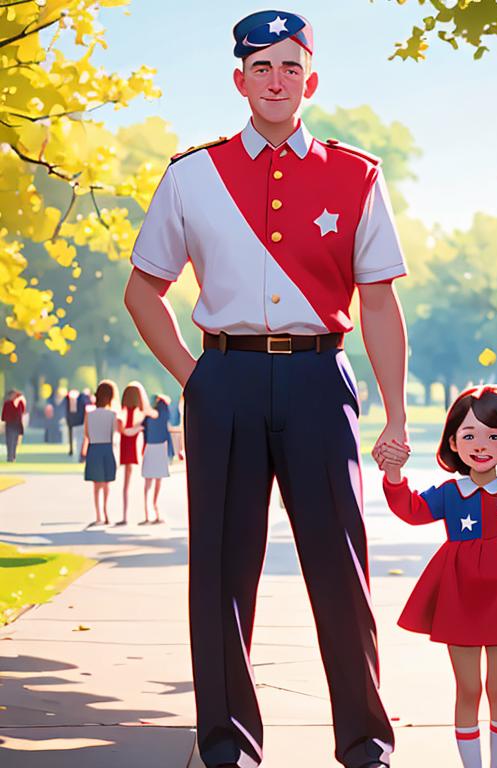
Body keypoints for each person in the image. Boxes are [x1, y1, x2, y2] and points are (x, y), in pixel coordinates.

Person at [123, 11, 407, 768]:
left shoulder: (357, 175)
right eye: (261, 67)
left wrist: (398, 410)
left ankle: (366, 742)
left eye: (290, 67)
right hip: (227, 376)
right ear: (239, 79)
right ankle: (226, 744)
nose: (276, 81)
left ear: (309, 79)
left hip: (320, 376)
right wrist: (196, 379)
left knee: (341, 567)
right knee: (219, 569)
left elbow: (378, 301)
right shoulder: (192, 175)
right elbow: (144, 290)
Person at [378, 386, 497, 768]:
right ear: (452, 442)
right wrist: (393, 473)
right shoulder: (450, 492)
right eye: (469, 435)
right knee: (467, 688)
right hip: (458, 593)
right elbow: (412, 510)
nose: (481, 446)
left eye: (494, 436)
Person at [82, 380, 123, 527]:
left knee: (96, 484)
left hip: (94, 448)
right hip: (107, 448)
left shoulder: (89, 414)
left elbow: (86, 434)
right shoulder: (112, 414)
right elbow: (114, 435)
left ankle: (98, 514)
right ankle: (106, 513)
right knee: (106, 484)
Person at [117, 381, 147, 526]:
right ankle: (139, 513)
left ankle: (125, 514)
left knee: (127, 483)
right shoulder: (139, 413)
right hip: (135, 446)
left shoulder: (123, 412)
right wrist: (138, 429)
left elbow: (121, 430)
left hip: (127, 446)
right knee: (135, 481)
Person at [141, 394, 173, 524]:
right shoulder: (165, 411)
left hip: (152, 446)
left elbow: (144, 429)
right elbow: (167, 432)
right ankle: (154, 510)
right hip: (160, 447)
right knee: (157, 481)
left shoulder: (151, 414)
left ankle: (148, 513)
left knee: (148, 482)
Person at [2, 389, 27, 462]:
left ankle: (13, 456)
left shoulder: (19, 403)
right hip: (10, 424)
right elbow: (4, 415)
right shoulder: (7, 403)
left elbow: (23, 411)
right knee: (9, 441)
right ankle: (10, 457)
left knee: (15, 441)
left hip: (17, 424)